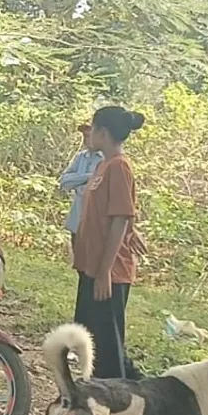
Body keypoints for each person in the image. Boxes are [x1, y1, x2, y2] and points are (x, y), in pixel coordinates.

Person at [73, 106, 147, 381]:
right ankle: (117, 386)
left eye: (92, 129)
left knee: (106, 346)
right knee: (92, 336)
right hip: (91, 265)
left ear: (103, 132)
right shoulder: (102, 165)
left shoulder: (119, 166)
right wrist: (132, 230)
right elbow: (118, 211)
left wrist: (105, 271)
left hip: (109, 271)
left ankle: (116, 395)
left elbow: (120, 216)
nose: (89, 135)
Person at [60, 123, 103, 258]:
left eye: (89, 136)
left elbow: (101, 183)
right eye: (84, 136)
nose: (87, 140)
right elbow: (64, 181)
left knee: (92, 259)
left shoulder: (106, 159)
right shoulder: (81, 157)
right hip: (77, 219)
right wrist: (89, 177)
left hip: (95, 220)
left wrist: (78, 181)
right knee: (78, 258)